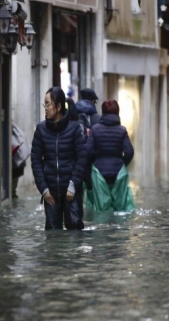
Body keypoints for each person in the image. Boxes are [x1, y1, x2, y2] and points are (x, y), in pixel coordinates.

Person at [31, 87, 87, 230]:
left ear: (59, 106)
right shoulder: (41, 129)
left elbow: (82, 158)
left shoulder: (74, 128)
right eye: (45, 104)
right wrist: (44, 189)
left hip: (71, 193)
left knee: (74, 233)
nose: (46, 108)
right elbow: (35, 161)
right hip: (51, 194)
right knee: (52, 238)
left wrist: (73, 185)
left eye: (48, 104)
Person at [86, 99, 135, 212]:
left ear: (102, 113)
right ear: (117, 112)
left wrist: (95, 161)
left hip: (99, 174)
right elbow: (129, 152)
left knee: (102, 211)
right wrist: (122, 163)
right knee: (119, 209)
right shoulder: (122, 130)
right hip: (117, 174)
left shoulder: (95, 129)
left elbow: (87, 151)